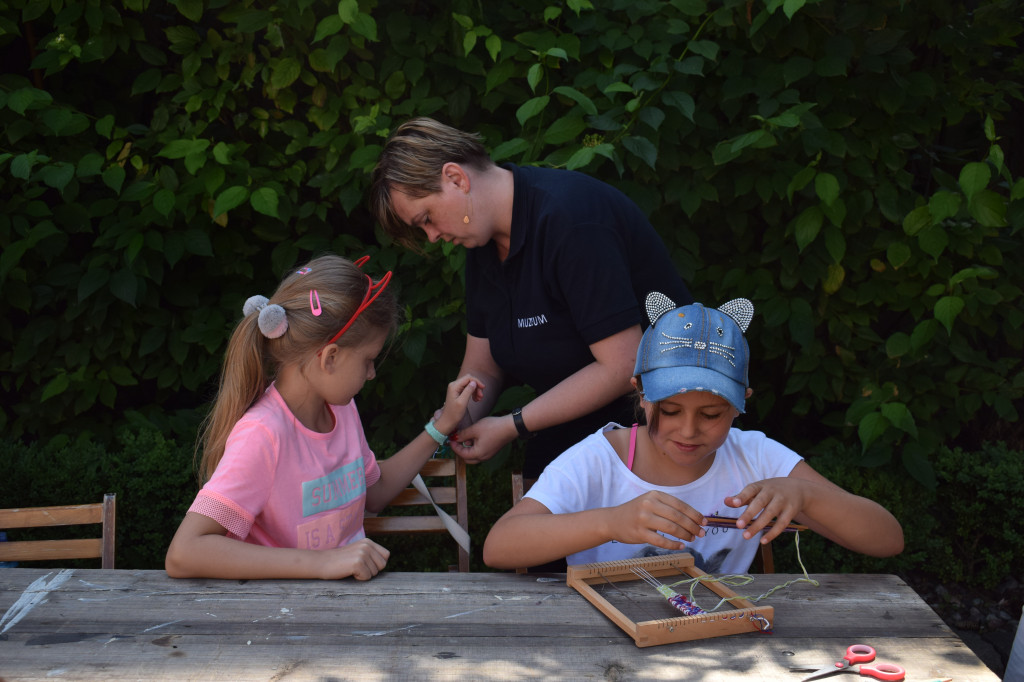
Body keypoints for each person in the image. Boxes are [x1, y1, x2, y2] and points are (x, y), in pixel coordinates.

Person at [482, 293, 904, 574]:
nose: (688, 430)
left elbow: (887, 539)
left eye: (712, 414)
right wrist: (611, 521)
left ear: (741, 405)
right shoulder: (599, 460)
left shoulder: (755, 457)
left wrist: (807, 496)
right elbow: (499, 546)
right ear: (641, 395)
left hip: (717, 640)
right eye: (669, 410)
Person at [369, 117, 693, 479]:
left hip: (657, 436)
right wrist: (455, 419)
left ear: (456, 178)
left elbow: (623, 366)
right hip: (568, 435)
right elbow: (483, 367)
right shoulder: (483, 246)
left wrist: (511, 425)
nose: (431, 236)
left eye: (427, 218)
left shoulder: (570, 219)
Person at [165, 254, 482, 581]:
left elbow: (376, 491)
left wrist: (441, 426)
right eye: (368, 360)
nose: (372, 373)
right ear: (330, 357)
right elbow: (185, 551)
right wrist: (323, 563)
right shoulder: (263, 434)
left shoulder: (342, 410)